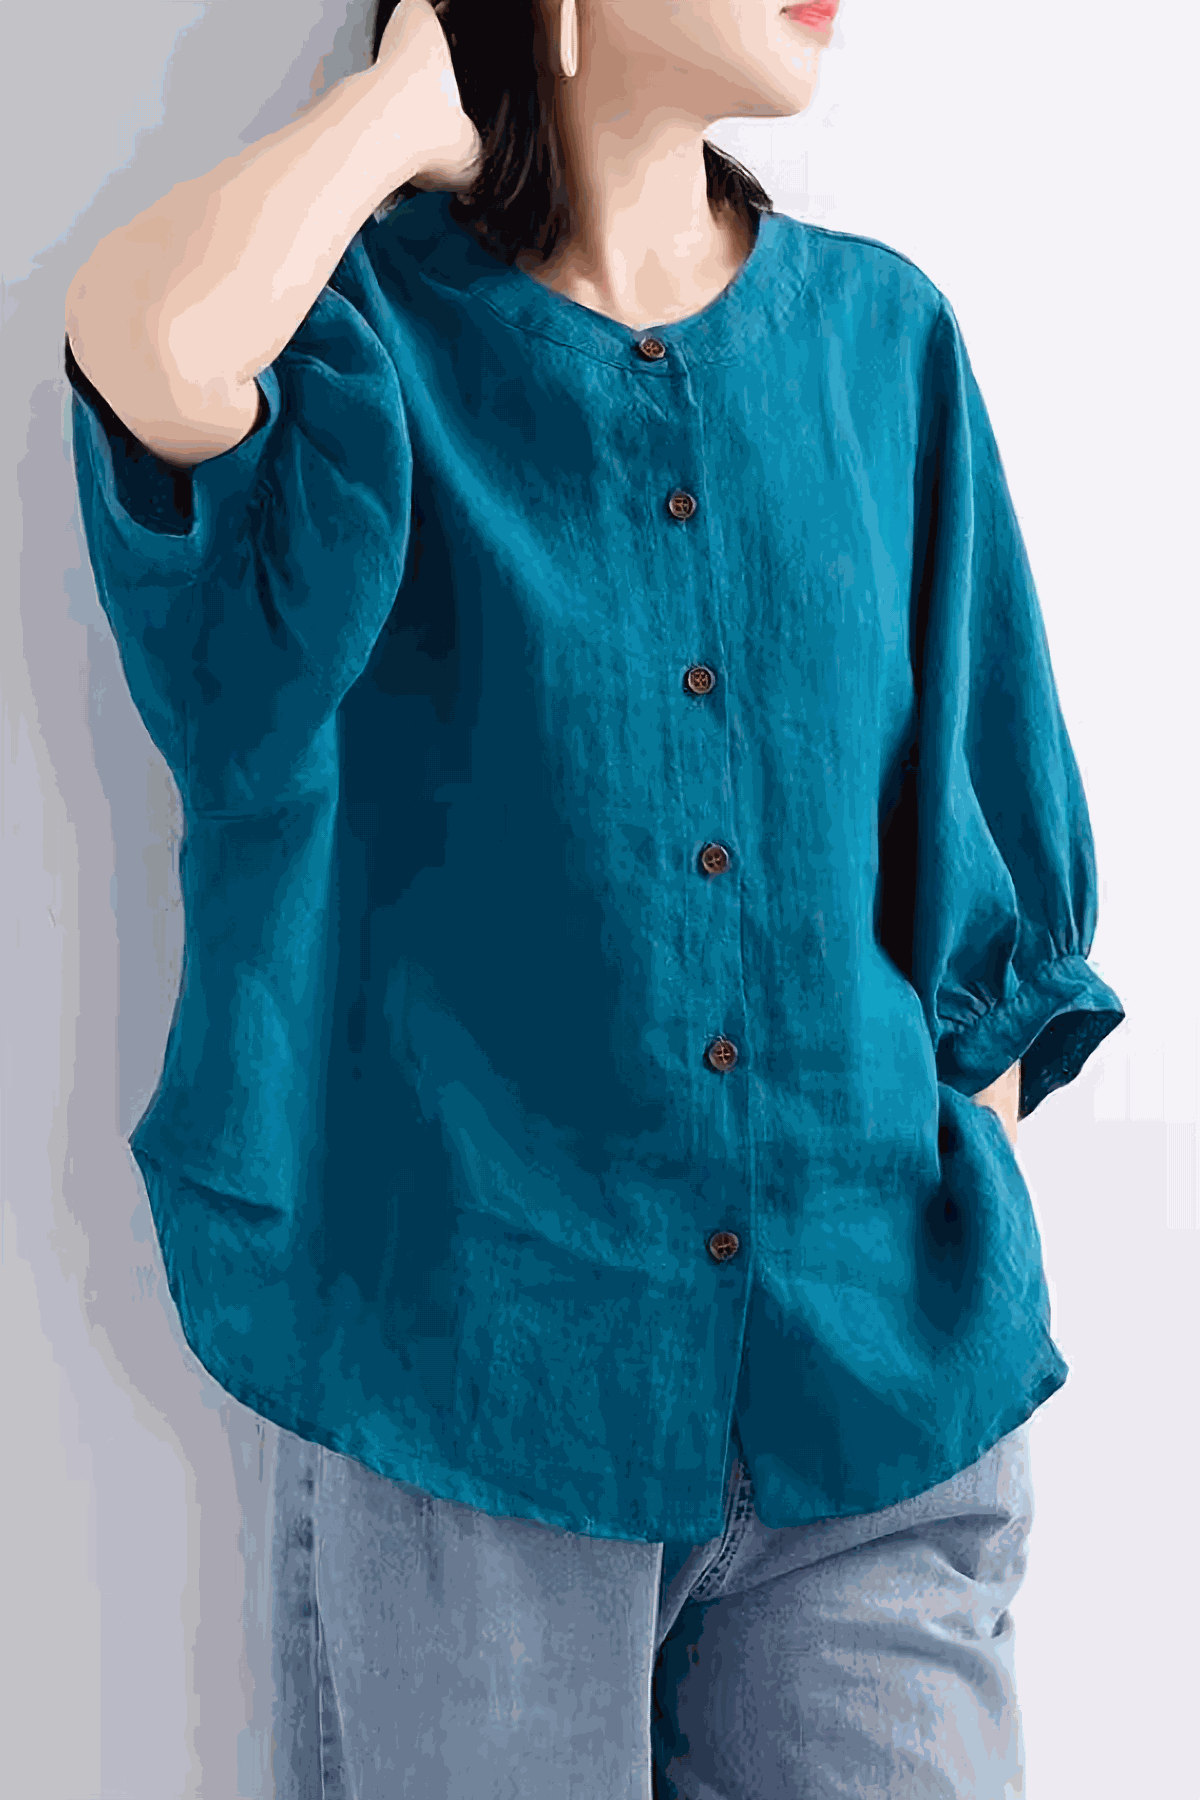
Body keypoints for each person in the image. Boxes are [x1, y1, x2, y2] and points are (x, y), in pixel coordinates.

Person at [63, 1, 1125, 1794]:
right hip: (476, 1410)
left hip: (873, 1421)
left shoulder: (887, 345)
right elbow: (149, 349)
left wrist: (935, 1198)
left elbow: (994, 890)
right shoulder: (365, 351)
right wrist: (407, 102)